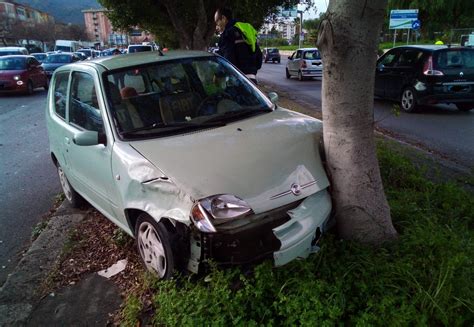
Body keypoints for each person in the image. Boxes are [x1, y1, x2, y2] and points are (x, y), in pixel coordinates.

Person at [214, 7, 262, 84]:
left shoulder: (228, 34)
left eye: (217, 21)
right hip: (252, 81)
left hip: (238, 80)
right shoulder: (245, 29)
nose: (217, 25)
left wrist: (218, 75)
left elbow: (227, 60)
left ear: (223, 18)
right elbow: (259, 59)